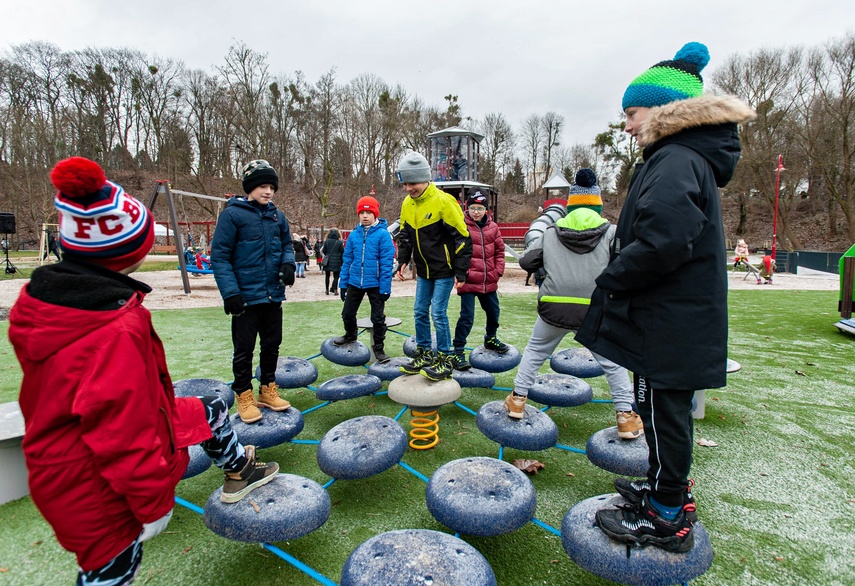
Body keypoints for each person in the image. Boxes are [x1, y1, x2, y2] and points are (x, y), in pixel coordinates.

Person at [8, 157, 279, 585]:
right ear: (123, 257)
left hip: (125, 426)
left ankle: (237, 470)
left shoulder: (51, 300)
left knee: (209, 409)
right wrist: (152, 506)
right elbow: (122, 434)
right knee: (112, 568)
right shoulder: (113, 330)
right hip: (90, 481)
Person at [575, 43, 755, 553]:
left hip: (671, 319)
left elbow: (664, 240)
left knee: (663, 413)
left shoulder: (676, 158)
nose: (628, 126)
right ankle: (664, 491)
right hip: (675, 316)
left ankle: (667, 516)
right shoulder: (682, 156)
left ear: (663, 111)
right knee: (659, 412)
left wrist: (611, 278)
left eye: (632, 114)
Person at [503, 169, 643, 440]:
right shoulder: (613, 233)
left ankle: (517, 400)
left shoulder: (552, 232)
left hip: (553, 306)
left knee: (535, 351)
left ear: (570, 206)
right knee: (612, 361)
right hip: (594, 308)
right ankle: (625, 417)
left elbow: (526, 261)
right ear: (598, 205)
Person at [211, 159, 296, 424]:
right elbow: (220, 256)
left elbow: (287, 245)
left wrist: (288, 263)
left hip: (273, 294)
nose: (268, 191)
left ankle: (268, 388)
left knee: (272, 345)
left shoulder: (276, 215)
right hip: (245, 297)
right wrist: (230, 293)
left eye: (271, 186)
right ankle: (244, 394)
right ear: (250, 187)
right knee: (244, 349)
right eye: (262, 185)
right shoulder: (232, 215)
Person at [395, 151, 472, 381]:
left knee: (438, 313)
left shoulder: (444, 202)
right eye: (405, 183)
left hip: (445, 270)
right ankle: (425, 353)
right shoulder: (407, 204)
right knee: (419, 311)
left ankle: (445, 358)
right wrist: (402, 261)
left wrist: (461, 270)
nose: (409, 188)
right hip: (424, 271)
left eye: (413, 183)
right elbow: (405, 235)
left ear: (426, 179)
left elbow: (462, 237)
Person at [334, 194, 396, 363]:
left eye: (368, 213)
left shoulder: (383, 235)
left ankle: (379, 349)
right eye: (361, 213)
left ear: (375, 214)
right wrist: (343, 283)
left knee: (377, 318)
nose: (365, 216)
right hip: (355, 281)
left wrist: (385, 288)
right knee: (347, 313)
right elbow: (347, 261)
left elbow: (386, 264)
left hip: (375, 283)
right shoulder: (354, 235)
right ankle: (350, 335)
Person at [450, 189, 508, 370]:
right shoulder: (461, 225)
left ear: (486, 210)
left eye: (480, 208)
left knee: (493, 312)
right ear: (467, 208)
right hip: (468, 280)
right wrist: (460, 272)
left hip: (488, 280)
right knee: (467, 317)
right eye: (473, 208)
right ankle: (458, 350)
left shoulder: (493, 228)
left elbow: (499, 252)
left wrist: (498, 271)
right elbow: (455, 251)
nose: (476, 212)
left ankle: (490, 338)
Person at [321, 228, 344, 295]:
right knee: (336, 276)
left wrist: (327, 255)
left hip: (328, 260)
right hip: (337, 260)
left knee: (327, 276)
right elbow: (342, 251)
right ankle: (335, 289)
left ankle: (327, 289)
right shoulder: (339, 242)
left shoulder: (327, 241)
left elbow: (324, 250)